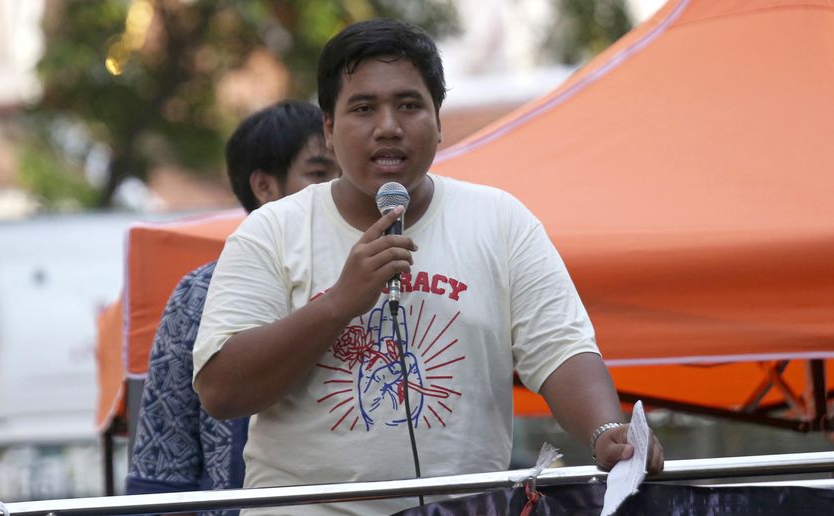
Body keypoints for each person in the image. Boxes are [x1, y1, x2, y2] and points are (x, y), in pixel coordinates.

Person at [193, 18, 664, 515]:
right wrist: (337, 305)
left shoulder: (500, 220)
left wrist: (605, 431)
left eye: (409, 105)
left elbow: (561, 349)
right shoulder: (271, 231)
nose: (388, 126)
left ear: (438, 123)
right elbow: (222, 392)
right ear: (329, 129)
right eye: (363, 108)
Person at [125, 100, 340, 516]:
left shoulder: (370, 277)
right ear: (264, 187)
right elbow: (163, 460)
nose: (336, 188)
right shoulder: (200, 292)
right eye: (318, 174)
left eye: (342, 173)